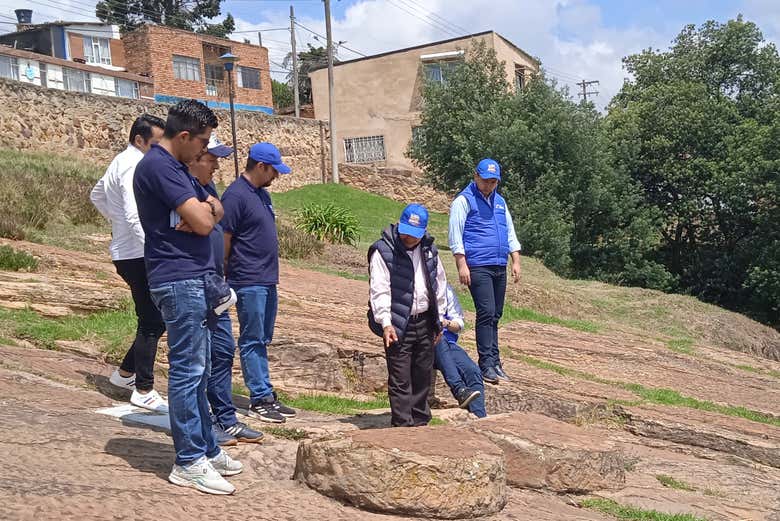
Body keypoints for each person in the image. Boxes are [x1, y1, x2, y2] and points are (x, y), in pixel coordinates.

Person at [134, 99, 242, 495]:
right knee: (187, 372)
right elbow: (201, 221)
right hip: (178, 280)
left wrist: (206, 209)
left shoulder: (178, 168)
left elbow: (216, 208)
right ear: (184, 136)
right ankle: (189, 460)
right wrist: (204, 212)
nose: (205, 151)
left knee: (200, 369)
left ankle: (206, 449)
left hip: (194, 280)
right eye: (203, 142)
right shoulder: (161, 167)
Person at [186, 134, 264, 446]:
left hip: (215, 285)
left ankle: (226, 417)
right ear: (194, 158)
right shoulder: (186, 189)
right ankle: (206, 423)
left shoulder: (208, 189)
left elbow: (215, 219)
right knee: (199, 359)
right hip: (196, 284)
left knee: (221, 351)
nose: (217, 166)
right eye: (212, 159)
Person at [90, 114, 168, 413]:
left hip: (128, 251)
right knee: (152, 320)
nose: (160, 150)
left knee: (155, 318)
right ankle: (144, 389)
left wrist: (116, 221)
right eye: (156, 143)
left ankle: (124, 376)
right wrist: (154, 250)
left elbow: (96, 195)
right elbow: (136, 216)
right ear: (139, 140)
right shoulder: (134, 165)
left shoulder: (119, 161)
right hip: (138, 253)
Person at [221, 142, 297, 424]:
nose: (276, 177)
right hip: (247, 279)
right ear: (261, 166)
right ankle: (260, 398)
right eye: (273, 171)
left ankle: (266, 392)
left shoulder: (262, 196)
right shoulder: (235, 196)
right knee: (252, 339)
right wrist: (223, 274)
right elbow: (224, 239)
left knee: (263, 338)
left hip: (267, 279)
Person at [368, 204, 447, 427]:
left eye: (415, 235)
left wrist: (438, 320)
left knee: (422, 374)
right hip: (397, 323)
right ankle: (402, 425)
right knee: (400, 377)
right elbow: (379, 288)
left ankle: (421, 422)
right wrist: (385, 322)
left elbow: (438, 285)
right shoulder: (383, 251)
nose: (409, 239)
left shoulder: (430, 251)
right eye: (406, 232)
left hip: (424, 321)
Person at [448, 158, 521, 385]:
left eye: (494, 182)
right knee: (486, 312)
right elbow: (455, 234)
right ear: (476, 176)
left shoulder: (500, 202)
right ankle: (486, 364)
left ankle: (496, 362)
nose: (490, 185)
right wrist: (462, 264)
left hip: (499, 264)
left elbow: (509, 232)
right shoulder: (464, 201)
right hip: (478, 265)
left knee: (496, 314)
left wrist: (515, 260)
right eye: (486, 180)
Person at [435, 284, 486, 418]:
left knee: (472, 370)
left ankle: (480, 418)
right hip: (426, 341)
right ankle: (459, 390)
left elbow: (458, 323)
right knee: (438, 340)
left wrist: (445, 323)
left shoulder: (445, 289)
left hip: (448, 343)